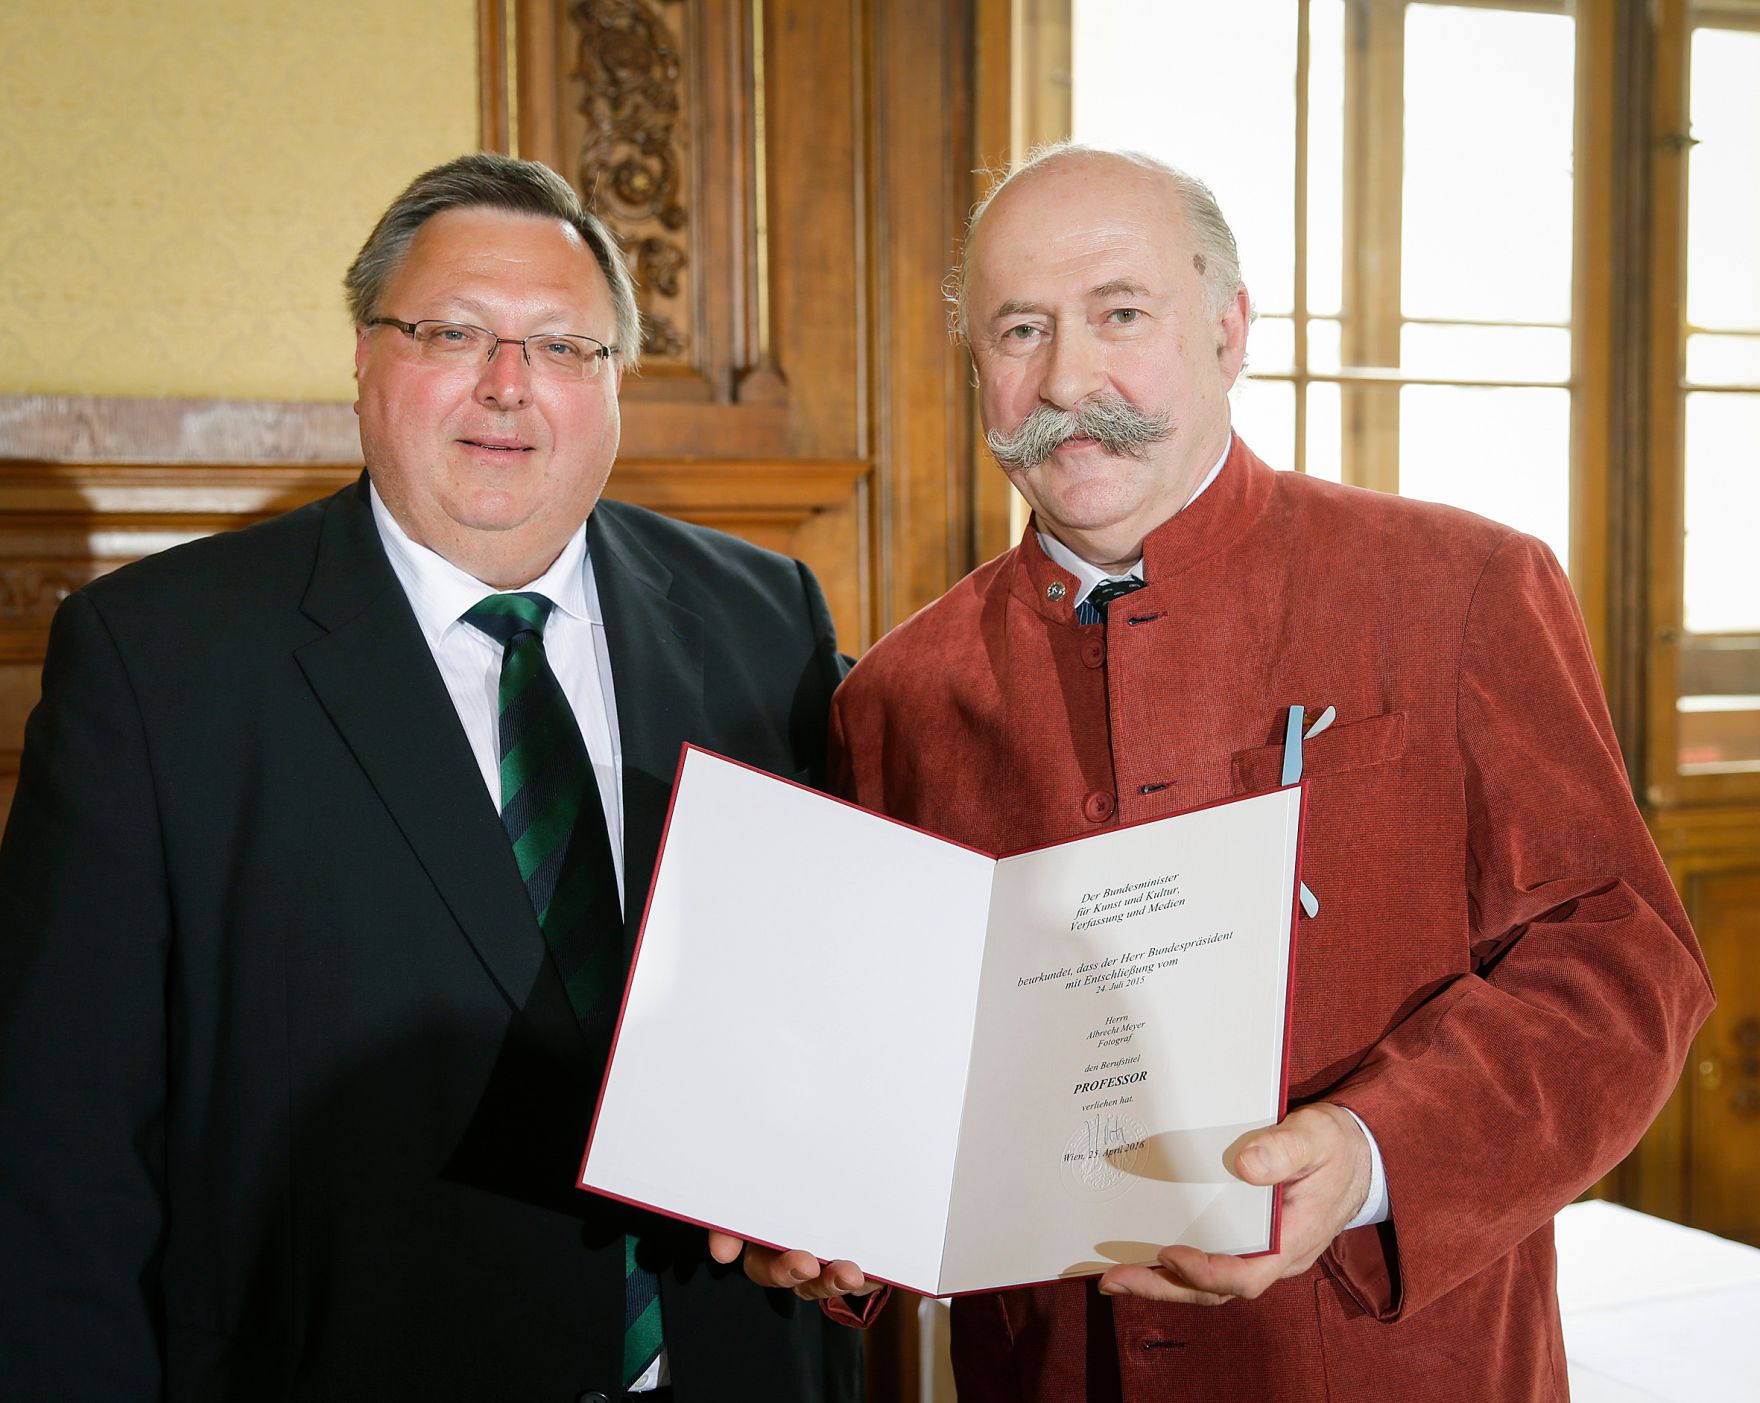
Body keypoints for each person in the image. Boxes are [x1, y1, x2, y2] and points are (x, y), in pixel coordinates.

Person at [717, 145, 1714, 1401]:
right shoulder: (897, 698)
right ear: (976, 364)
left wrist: (1366, 1153)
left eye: (1119, 314)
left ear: (1229, 329)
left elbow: (1622, 962)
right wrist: (822, 1217)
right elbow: (881, 1073)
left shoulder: (1461, 587)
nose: (1068, 379)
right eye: (1019, 329)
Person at [0, 153, 859, 1403]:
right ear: (363, 355)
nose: (508, 387)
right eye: (452, 332)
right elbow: (55, 1155)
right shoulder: (158, 660)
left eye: (563, 347)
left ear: (613, 382)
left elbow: (824, 1001)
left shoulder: (762, 615)